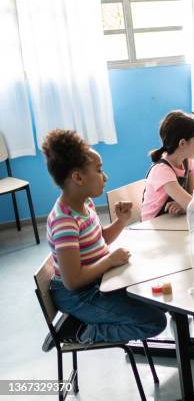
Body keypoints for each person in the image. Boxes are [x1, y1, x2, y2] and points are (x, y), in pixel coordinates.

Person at [42, 129, 166, 344]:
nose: (105, 176)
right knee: (155, 321)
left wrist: (121, 221)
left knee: (161, 297)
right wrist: (109, 260)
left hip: (98, 282)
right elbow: (72, 281)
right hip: (79, 296)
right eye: (99, 170)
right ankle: (81, 331)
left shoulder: (85, 203)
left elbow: (101, 241)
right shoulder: (64, 221)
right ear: (78, 177)